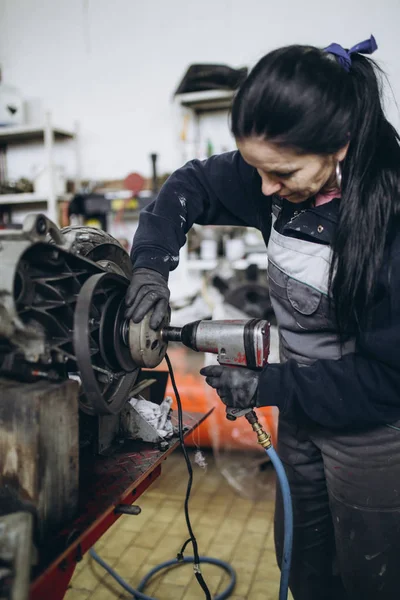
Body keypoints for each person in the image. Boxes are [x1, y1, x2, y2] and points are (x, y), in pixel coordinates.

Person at [125, 36, 400, 600]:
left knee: (372, 577)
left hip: (374, 434)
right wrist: (150, 267)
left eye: (282, 173)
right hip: (301, 415)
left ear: (340, 145)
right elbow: (192, 184)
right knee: (303, 567)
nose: (265, 190)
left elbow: (389, 378)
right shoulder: (273, 180)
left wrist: (269, 383)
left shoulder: (389, 217)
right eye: (256, 170)